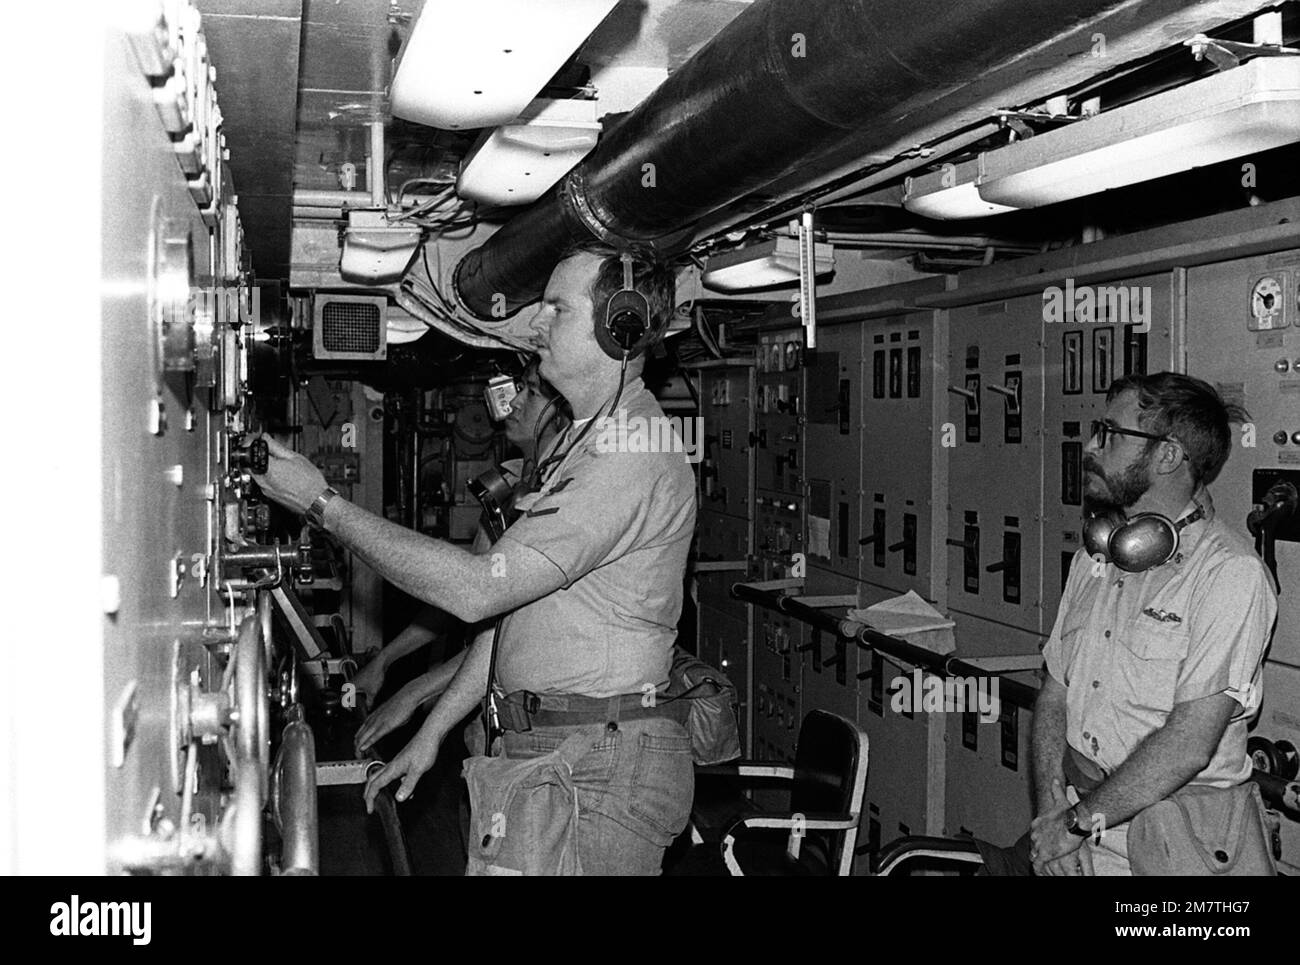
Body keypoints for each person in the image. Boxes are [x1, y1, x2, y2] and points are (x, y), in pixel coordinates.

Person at [254, 246, 696, 875]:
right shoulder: (583, 440)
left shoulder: (631, 453)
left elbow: (478, 591)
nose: (535, 324)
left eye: (557, 309)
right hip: (553, 750)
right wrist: (435, 729)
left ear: (617, 328)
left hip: (594, 766)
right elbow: (513, 611)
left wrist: (321, 503)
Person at [1028, 372, 1276, 876]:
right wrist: (1053, 813)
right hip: (1078, 834)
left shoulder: (1229, 574)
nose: (1092, 447)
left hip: (1175, 843)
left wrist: (1073, 824)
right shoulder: (1095, 559)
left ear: (1168, 456)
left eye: (1112, 434)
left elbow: (1188, 743)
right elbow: (1054, 696)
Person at [352, 359, 570, 749]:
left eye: (531, 393)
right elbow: (459, 597)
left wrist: (414, 693)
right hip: (494, 715)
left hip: (546, 724)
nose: (512, 404)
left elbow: (505, 631)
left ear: (562, 413)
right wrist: (385, 661)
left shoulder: (561, 501)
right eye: (518, 388)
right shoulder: (510, 484)